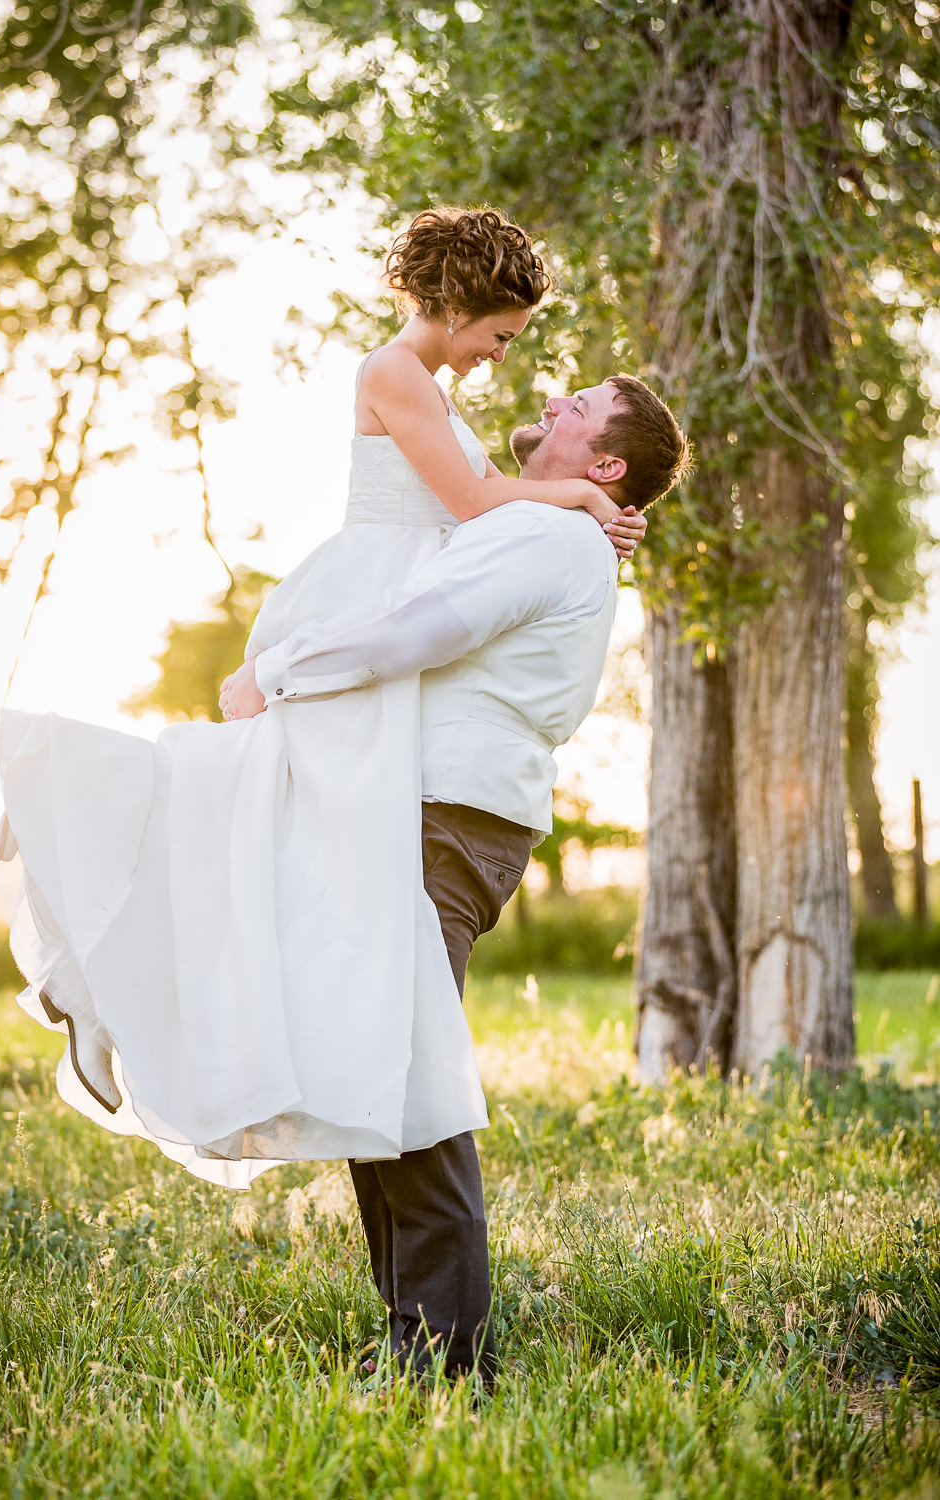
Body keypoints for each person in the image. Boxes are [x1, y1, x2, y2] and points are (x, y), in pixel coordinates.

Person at [0, 207, 646, 1186]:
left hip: (400, 623)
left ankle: (118, 997)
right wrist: (587, 496)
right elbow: (470, 504)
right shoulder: (393, 371)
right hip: (365, 599)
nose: (501, 359)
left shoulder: (446, 403)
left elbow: (482, 503)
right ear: (456, 302)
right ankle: (91, 968)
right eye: (498, 335)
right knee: (219, 794)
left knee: (257, 849)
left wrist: (590, 503)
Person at [219, 371, 692, 1387]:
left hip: (440, 818)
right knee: (374, 1064)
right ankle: (415, 1336)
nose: (551, 400)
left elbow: (417, 629)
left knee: (406, 1073)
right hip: (434, 810)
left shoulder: (549, 537)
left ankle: (443, 1356)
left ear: (605, 462)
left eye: (577, 408)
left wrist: (275, 670)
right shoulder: (546, 521)